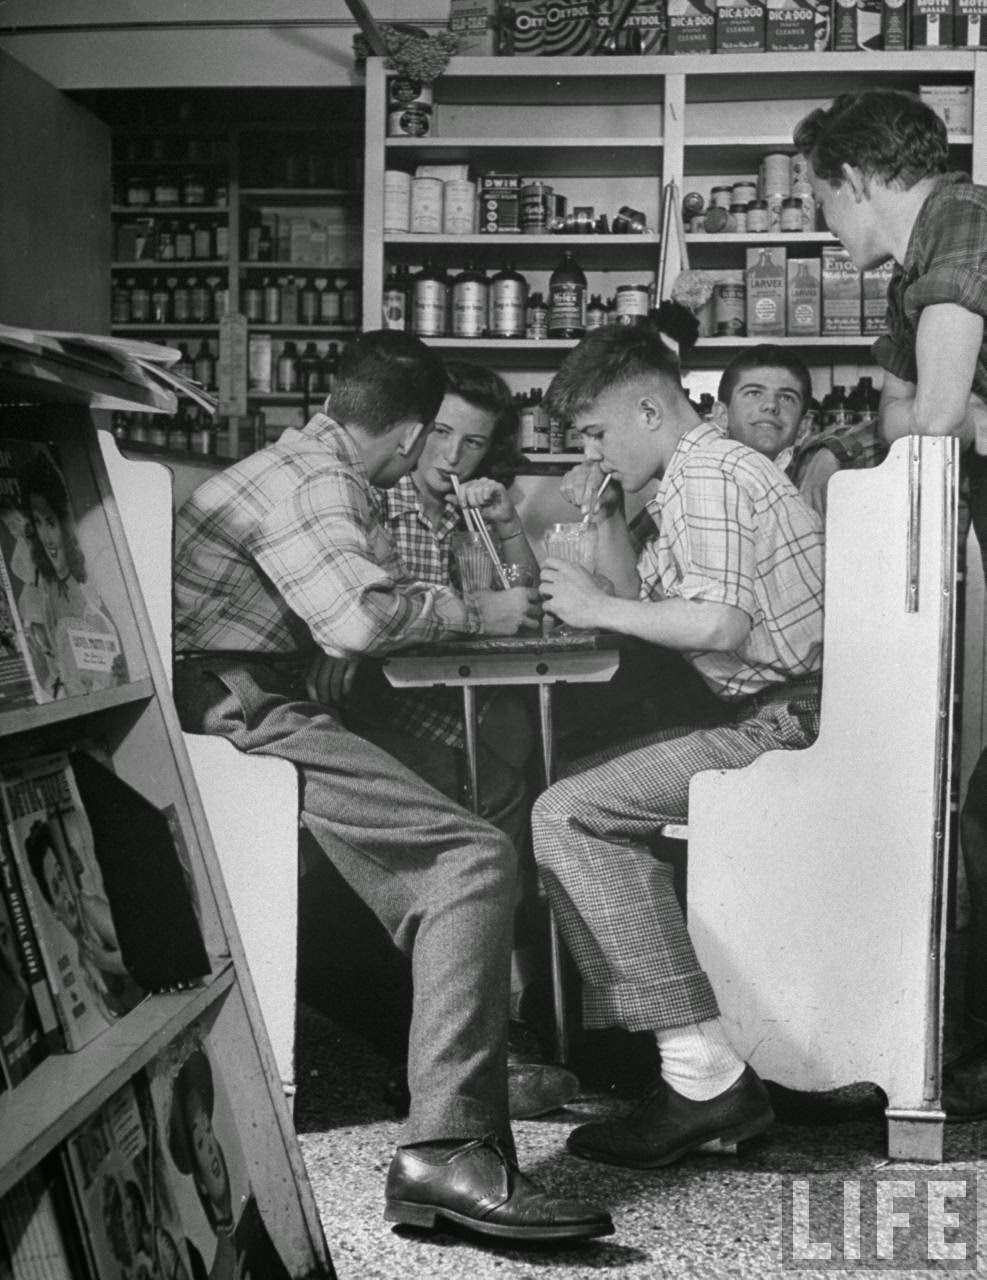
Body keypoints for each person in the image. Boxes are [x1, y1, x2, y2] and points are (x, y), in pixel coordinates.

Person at [172, 330, 612, 1244]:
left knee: (464, 838)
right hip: (238, 701)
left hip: (230, 691)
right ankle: (445, 1151)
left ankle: (449, 1131)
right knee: (475, 855)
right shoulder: (325, 479)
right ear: (410, 435)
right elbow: (361, 620)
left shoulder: (290, 460)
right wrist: (467, 610)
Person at [530, 324, 824, 1168]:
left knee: (568, 814)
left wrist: (593, 609)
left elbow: (716, 624)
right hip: (784, 709)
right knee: (581, 783)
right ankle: (690, 1048)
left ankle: (701, 1075)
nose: (588, 450)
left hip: (789, 721)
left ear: (651, 408)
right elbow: (651, 604)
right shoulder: (701, 472)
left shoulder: (708, 474)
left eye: (594, 433)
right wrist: (608, 525)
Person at [794, 88, 987, 1118]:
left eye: (824, 202)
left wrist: (944, 423)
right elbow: (901, 412)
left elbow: (936, 420)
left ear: (856, 179)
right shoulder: (911, 271)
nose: (827, 227)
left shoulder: (956, 216)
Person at [338, 359, 578, 1118]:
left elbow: (527, 608)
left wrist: (504, 526)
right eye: (441, 434)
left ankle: (499, 1029)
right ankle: (441, 1046)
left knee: (518, 783)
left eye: (473, 444)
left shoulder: (466, 512)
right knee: (473, 819)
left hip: (463, 717)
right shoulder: (374, 501)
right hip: (386, 720)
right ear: (412, 430)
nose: (452, 457)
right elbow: (384, 626)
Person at [711, 344, 887, 514]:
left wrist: (833, 454)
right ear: (721, 415)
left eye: (786, 397)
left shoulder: (807, 465)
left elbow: (890, 429)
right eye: (754, 393)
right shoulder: (704, 472)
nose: (771, 405)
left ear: (804, 425)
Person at [166, 1045, 291, 1280]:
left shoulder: (248, 1217)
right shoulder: (209, 1258)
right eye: (201, 1144)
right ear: (200, 1183)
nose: (211, 1146)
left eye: (207, 1129)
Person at [20, 447, 129, 699]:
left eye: (50, 522)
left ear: (66, 523)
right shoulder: (44, 596)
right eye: (37, 522)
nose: (46, 537)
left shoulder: (95, 594)